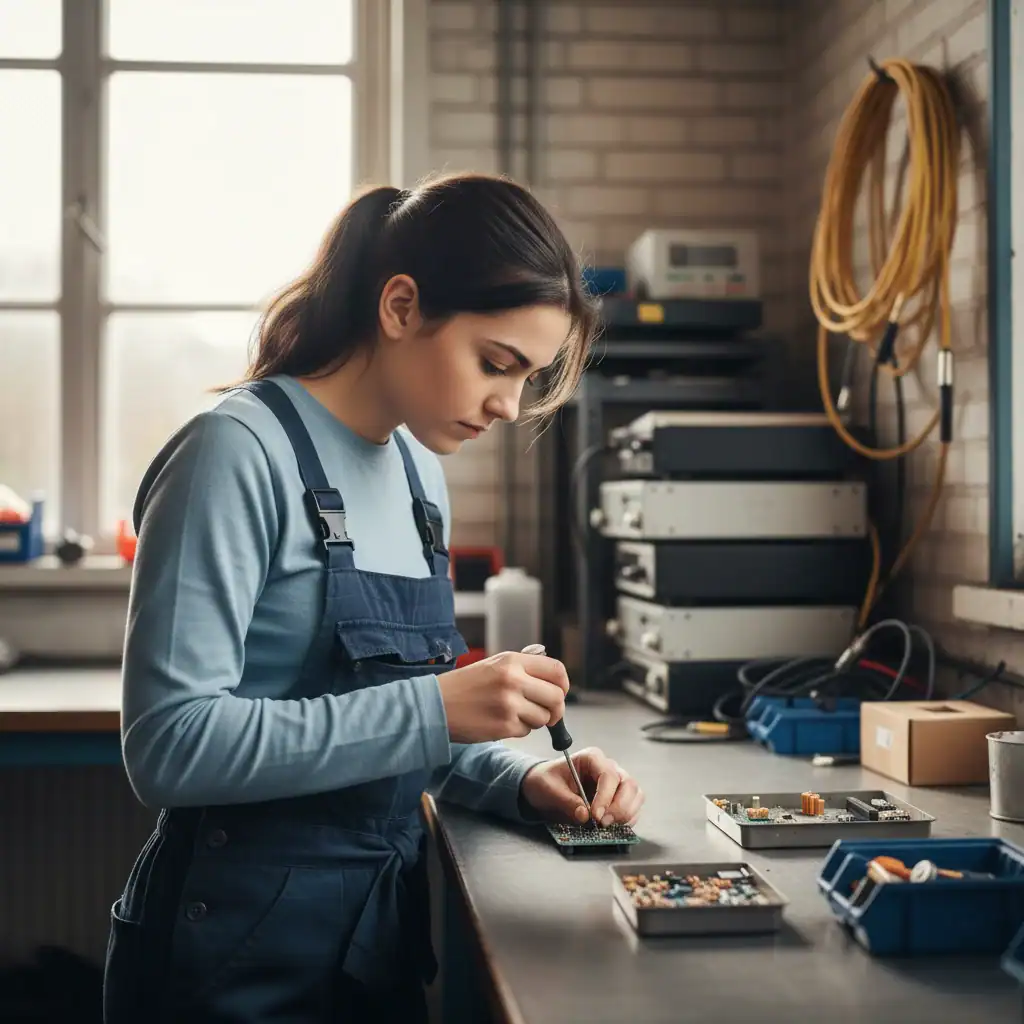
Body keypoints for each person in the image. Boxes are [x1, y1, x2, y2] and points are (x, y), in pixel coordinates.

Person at [102, 172, 645, 1024]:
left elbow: (400, 727)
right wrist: (439, 707)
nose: (507, 404)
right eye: (495, 364)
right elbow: (170, 745)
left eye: (529, 377)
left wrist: (526, 775)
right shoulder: (234, 454)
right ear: (400, 307)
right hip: (230, 957)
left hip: (370, 945)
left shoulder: (419, 471)